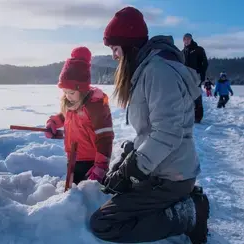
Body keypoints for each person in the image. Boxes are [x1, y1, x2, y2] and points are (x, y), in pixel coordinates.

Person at [89, 6, 209, 244]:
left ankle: (190, 213)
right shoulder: (147, 69)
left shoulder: (158, 71)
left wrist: (133, 169)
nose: (114, 55)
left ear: (129, 45)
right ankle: (181, 201)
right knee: (114, 190)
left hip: (171, 176)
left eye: (115, 48)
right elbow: (152, 129)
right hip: (161, 168)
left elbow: (168, 132)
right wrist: (130, 155)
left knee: (105, 224)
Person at [44, 46, 114, 185]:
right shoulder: (73, 103)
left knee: (87, 197)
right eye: (65, 92)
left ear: (81, 89)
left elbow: (105, 138)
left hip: (91, 162)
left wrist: (100, 167)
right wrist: (53, 123)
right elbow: (66, 117)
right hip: (73, 157)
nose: (68, 96)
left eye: (71, 93)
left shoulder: (95, 106)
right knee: (72, 193)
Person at [183, 33, 209, 123]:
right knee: (186, 96)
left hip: (195, 76)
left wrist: (201, 75)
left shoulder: (198, 49)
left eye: (188, 39)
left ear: (191, 39)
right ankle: (187, 116)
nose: (186, 41)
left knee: (196, 95)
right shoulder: (182, 52)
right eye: (185, 39)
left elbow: (204, 63)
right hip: (185, 76)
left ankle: (198, 117)